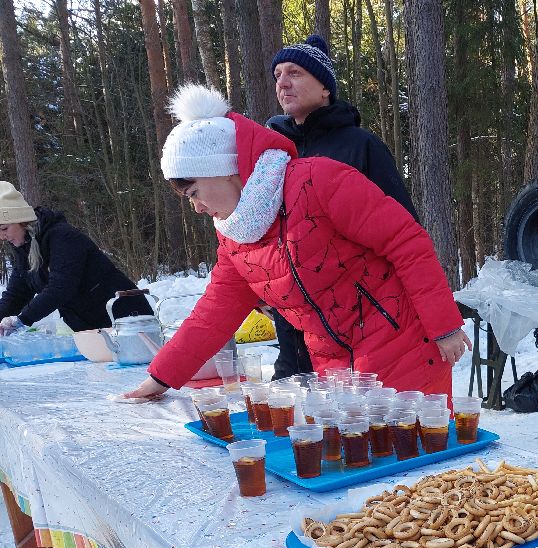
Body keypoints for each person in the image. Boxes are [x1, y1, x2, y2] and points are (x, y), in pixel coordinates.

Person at [121, 84, 469, 400]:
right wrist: (161, 377)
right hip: (336, 372)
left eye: (194, 192)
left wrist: (444, 326)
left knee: (417, 448)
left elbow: (407, 242)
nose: (196, 208)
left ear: (222, 169)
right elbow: (214, 313)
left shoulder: (317, 180)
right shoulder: (236, 235)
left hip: (405, 350)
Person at [266, 35, 418, 380]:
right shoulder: (272, 153)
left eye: (295, 73)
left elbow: (405, 232)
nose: (283, 83)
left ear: (325, 88)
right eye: (278, 75)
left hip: (356, 321)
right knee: (290, 406)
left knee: (354, 409)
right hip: (293, 326)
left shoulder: (362, 147)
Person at [0, 181, 152, 334]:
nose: (2, 236)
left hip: (126, 319)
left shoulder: (62, 237)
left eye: (4, 228)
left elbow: (61, 288)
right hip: (90, 327)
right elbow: (16, 295)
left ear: (22, 221)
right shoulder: (24, 249)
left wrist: (22, 319)